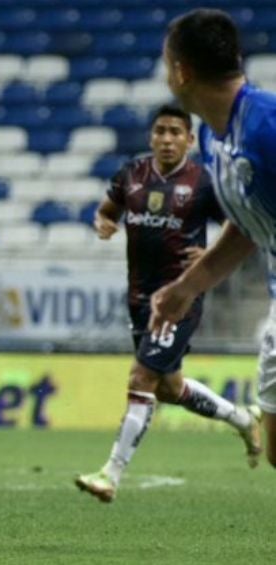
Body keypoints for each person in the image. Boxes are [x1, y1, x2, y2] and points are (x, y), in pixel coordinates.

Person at [75, 104, 261, 503]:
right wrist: (104, 223)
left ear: (190, 140)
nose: (167, 139)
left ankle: (111, 474)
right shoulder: (132, 175)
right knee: (169, 388)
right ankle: (242, 419)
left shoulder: (204, 182)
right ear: (151, 137)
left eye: (176, 132)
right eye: (160, 131)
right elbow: (107, 211)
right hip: (139, 299)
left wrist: (210, 257)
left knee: (141, 379)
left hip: (179, 298)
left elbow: (241, 222)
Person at [150, 9, 276, 471]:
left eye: (167, 64)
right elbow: (247, 225)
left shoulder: (268, 126)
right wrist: (187, 287)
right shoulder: (210, 135)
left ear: (181, 71)